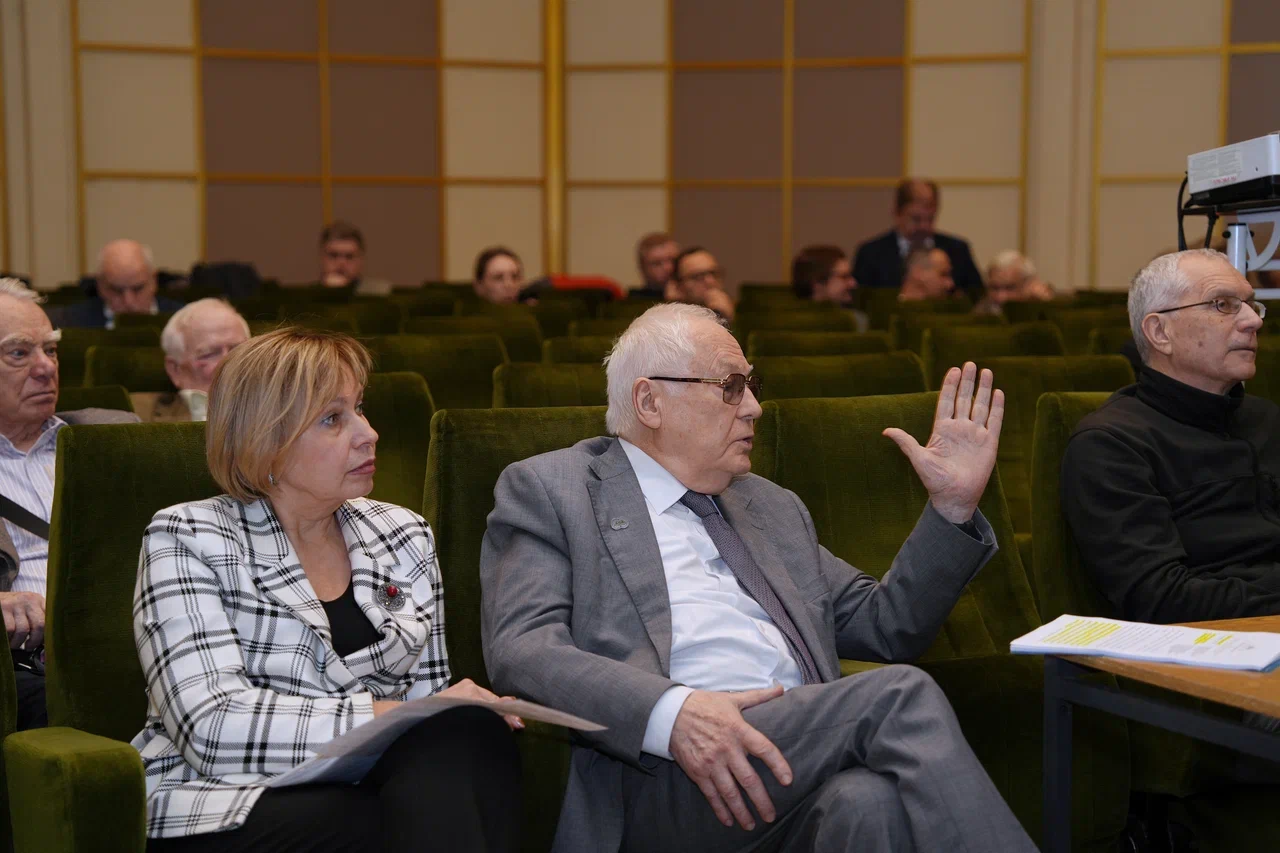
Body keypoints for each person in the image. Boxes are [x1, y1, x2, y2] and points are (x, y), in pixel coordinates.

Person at [481, 303, 1035, 852]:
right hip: (661, 776)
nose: (753, 407)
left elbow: (887, 626)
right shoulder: (554, 489)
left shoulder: (769, 506)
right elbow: (522, 648)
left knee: (866, 803)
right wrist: (673, 713)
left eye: (751, 386)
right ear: (650, 402)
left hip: (792, 756)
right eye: (730, 387)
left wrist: (952, 509)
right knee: (899, 695)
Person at [132, 328, 522, 851]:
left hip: (374, 784)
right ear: (265, 440)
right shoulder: (187, 536)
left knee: (472, 737)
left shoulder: (403, 533)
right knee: (388, 813)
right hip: (221, 799)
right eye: (332, 419)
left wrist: (441, 713)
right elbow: (210, 728)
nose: (369, 433)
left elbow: (428, 699)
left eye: (359, 408)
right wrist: (403, 716)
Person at [1061, 248, 1279, 624]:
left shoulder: (1267, 418)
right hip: (1212, 644)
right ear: (1160, 332)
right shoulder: (1111, 444)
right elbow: (1161, 598)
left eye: (1250, 304)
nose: (1252, 321)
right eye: (1223, 305)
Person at [0, 279, 137, 731]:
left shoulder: (116, 436)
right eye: (18, 353)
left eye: (51, 350)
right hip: (27, 666)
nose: (45, 367)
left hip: (137, 640)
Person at [852, 179, 983, 295]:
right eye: (916, 219)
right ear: (897, 213)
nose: (924, 226)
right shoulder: (871, 254)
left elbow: (975, 297)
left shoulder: (958, 250)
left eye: (930, 219)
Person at [134, 299, 250, 423]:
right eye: (209, 354)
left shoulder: (266, 410)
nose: (229, 361)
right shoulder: (139, 415)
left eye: (239, 350)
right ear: (175, 369)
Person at [52, 240, 183, 329]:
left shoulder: (183, 321)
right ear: (100, 285)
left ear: (154, 280)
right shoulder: (69, 323)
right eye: (116, 290)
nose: (129, 302)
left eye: (138, 289)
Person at [790, 245, 869, 331]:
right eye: (844, 277)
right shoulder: (789, 323)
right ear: (817, 283)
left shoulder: (856, 320)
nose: (853, 283)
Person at [319, 221, 393, 296]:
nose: (341, 262)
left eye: (349, 256)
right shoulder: (312, 296)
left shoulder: (380, 292)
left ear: (360, 260)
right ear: (322, 258)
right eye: (333, 255)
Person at [973, 250, 1054, 316]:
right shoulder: (981, 313)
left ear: (1030, 285)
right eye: (994, 288)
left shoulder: (1045, 311)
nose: (1001, 297)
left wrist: (1046, 304)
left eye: (1010, 288)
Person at [667, 247, 736, 321]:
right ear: (679, 286)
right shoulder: (670, 319)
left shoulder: (740, 308)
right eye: (698, 276)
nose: (710, 281)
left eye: (714, 273)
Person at [635, 232, 679, 298]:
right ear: (643, 268)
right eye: (657, 263)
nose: (668, 268)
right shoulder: (634, 300)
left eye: (673, 260)